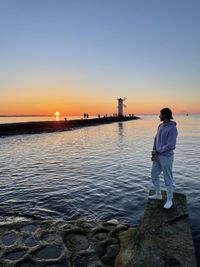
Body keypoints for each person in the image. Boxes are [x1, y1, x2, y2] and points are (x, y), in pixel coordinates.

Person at [149, 108, 178, 209]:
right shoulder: (160, 126)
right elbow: (155, 139)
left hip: (167, 157)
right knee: (154, 175)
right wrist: (153, 151)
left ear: (164, 115)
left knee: (168, 178)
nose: (159, 116)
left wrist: (158, 151)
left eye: (160, 114)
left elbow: (171, 145)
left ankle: (169, 200)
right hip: (157, 156)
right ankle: (158, 194)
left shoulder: (172, 128)